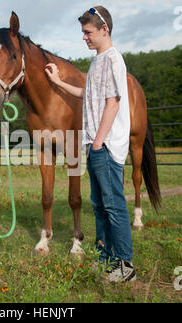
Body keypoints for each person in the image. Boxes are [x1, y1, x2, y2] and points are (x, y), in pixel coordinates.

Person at [45, 6, 136, 282]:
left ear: (104, 29)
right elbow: (89, 93)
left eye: (88, 32)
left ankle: (124, 265)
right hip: (94, 145)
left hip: (105, 146)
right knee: (98, 204)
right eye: (83, 32)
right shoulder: (98, 60)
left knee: (113, 205)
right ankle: (105, 257)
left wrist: (97, 142)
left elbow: (113, 102)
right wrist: (58, 82)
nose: (84, 37)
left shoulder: (113, 60)